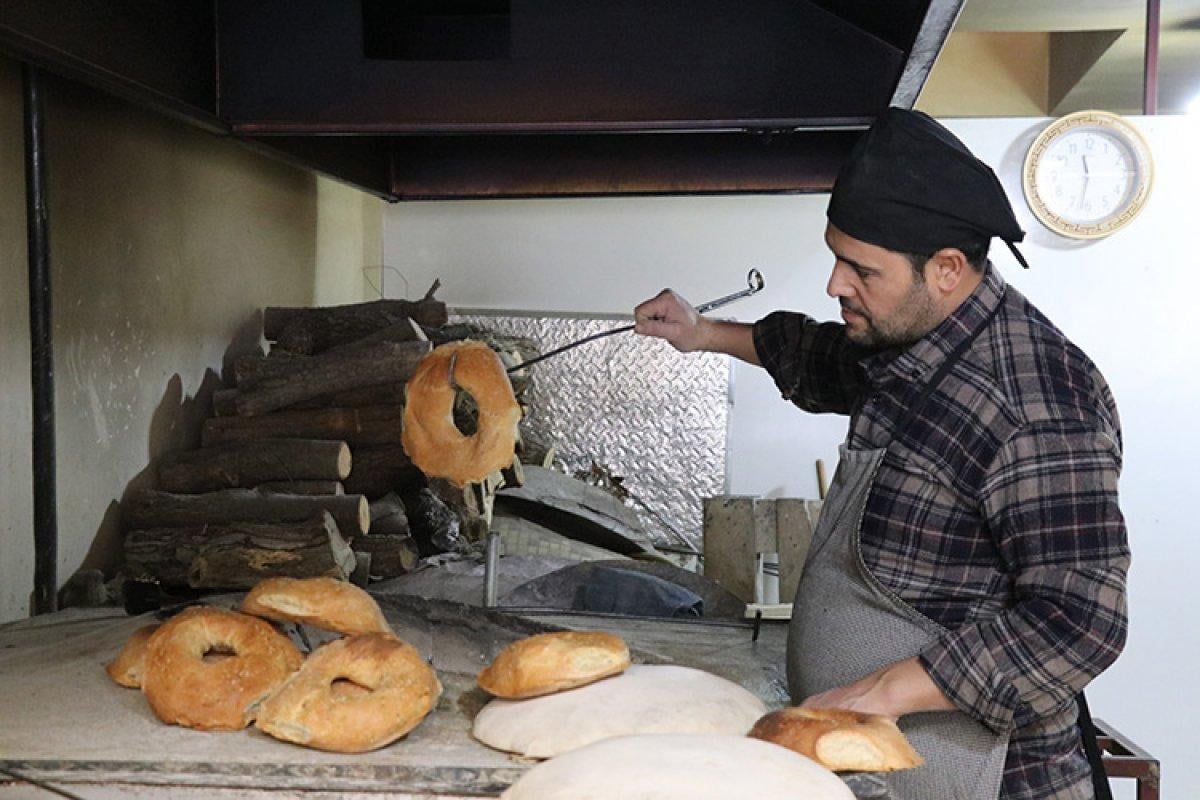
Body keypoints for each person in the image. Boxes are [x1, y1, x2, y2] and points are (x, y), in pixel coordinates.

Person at [633, 108, 1129, 800]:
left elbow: (1080, 623)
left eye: (860, 269)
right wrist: (703, 332)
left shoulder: (1037, 403)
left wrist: (891, 689)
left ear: (948, 269)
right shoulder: (915, 337)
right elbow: (826, 359)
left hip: (991, 779)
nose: (835, 283)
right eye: (836, 256)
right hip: (884, 768)